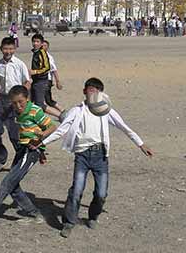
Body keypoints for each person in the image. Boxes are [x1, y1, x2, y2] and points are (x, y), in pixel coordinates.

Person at [43, 78, 153, 238]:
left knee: (101, 193)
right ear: (84, 91)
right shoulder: (77, 111)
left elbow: (124, 127)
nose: (93, 93)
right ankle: (68, 222)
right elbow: (61, 130)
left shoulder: (105, 110)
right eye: (90, 90)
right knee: (76, 190)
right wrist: (42, 144)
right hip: (82, 155)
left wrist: (141, 144)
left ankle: (93, 215)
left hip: (100, 156)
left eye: (97, 90)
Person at [0, 86, 57, 228]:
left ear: (27, 99)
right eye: (14, 103)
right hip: (22, 150)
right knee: (13, 185)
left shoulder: (35, 111)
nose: (18, 106)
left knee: (7, 182)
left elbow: (52, 127)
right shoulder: (17, 112)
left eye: (21, 102)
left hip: (30, 151)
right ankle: (34, 214)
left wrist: (40, 143)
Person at [0, 36, 32, 174]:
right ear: (1, 49)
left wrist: (22, 98)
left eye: (11, 48)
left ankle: (21, 161)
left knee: (15, 135)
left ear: (15, 49)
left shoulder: (19, 64)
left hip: (16, 102)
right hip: (2, 101)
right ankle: (0, 159)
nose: (8, 51)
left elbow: (27, 82)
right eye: (5, 48)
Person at [29, 34, 62, 118]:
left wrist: (35, 71)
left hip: (43, 81)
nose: (35, 43)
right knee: (31, 101)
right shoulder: (35, 52)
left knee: (43, 103)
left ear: (41, 43)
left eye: (37, 42)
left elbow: (48, 68)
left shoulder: (43, 53)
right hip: (36, 81)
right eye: (34, 41)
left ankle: (61, 115)